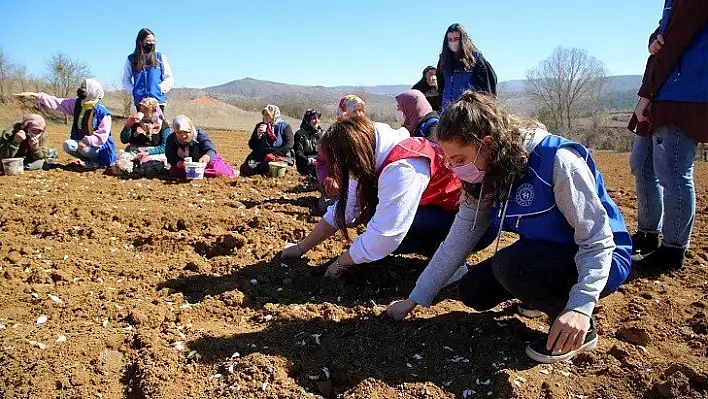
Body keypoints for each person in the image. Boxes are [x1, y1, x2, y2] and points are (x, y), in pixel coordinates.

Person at [386, 92, 632, 364]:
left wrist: (581, 306)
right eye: (449, 160)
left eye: (459, 158)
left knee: (509, 266)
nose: (455, 169)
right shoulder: (483, 177)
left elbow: (597, 239)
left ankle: (576, 330)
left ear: (487, 145)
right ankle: (542, 293)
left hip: (604, 257)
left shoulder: (557, 162)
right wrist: (414, 299)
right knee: (473, 291)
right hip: (545, 254)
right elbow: (457, 240)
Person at [281, 116, 462, 278]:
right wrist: (301, 247)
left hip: (467, 223)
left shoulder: (403, 168)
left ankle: (451, 263)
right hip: (439, 210)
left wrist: (340, 263)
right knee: (373, 213)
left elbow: (387, 234)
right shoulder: (367, 150)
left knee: (392, 222)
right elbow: (347, 208)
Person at [629, 0, 708, 271]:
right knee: (641, 164)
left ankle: (673, 249)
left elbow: (676, 42)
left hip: (681, 94)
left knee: (673, 173)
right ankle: (648, 234)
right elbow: (667, 33)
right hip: (662, 89)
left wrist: (645, 94)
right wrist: (654, 37)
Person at [15, 79, 118, 168]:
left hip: (100, 148)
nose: (80, 89)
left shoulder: (102, 112)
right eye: (81, 86)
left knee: (84, 149)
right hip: (83, 144)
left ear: (92, 90)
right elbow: (57, 102)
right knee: (68, 145)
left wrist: (86, 141)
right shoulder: (77, 104)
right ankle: (89, 161)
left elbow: (102, 136)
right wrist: (36, 95)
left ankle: (97, 161)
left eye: (84, 87)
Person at [315, 95, 367, 198]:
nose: (358, 114)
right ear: (343, 112)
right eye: (354, 110)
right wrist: (327, 179)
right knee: (329, 207)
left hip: (363, 186)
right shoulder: (333, 135)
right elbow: (320, 162)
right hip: (340, 186)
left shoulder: (368, 133)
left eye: (361, 110)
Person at [437, 23, 497, 110]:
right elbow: (441, 86)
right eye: (450, 39)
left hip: (468, 111)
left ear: (463, 39)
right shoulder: (443, 60)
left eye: (456, 39)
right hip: (447, 111)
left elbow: (488, 86)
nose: (453, 42)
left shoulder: (476, 59)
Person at [109, 97, 170, 177]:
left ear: (154, 111)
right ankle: (136, 168)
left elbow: (165, 146)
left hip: (153, 153)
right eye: (141, 109)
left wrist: (148, 153)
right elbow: (124, 140)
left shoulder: (163, 125)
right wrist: (128, 125)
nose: (142, 112)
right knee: (119, 167)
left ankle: (140, 169)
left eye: (146, 109)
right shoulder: (136, 122)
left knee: (150, 170)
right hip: (134, 151)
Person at [165, 115, 235, 179]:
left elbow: (211, 150)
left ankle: (230, 170)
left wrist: (206, 157)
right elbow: (170, 156)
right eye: (179, 132)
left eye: (186, 132)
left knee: (219, 172)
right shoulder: (171, 139)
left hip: (206, 163)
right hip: (186, 166)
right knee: (174, 174)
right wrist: (178, 163)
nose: (183, 136)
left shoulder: (200, 135)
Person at [123, 28, 174, 112]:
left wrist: (160, 88)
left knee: (158, 124)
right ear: (141, 41)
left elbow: (169, 77)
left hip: (157, 101)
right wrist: (134, 90)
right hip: (141, 102)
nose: (151, 43)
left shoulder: (160, 57)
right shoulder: (132, 59)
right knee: (142, 125)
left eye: (153, 41)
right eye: (148, 41)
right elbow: (126, 79)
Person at [240, 105, 294, 177]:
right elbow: (252, 145)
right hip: (262, 155)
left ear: (274, 116)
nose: (265, 117)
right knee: (247, 168)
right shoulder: (260, 126)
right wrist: (257, 135)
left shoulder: (284, 127)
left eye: (268, 115)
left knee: (272, 167)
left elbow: (289, 144)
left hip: (279, 154)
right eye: (264, 114)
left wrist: (274, 154)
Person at [293, 109, 323, 177]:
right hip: (305, 164)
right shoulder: (299, 134)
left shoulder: (322, 133)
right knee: (319, 170)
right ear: (307, 120)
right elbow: (298, 152)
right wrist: (309, 160)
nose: (317, 120)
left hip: (320, 161)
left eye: (318, 118)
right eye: (314, 118)